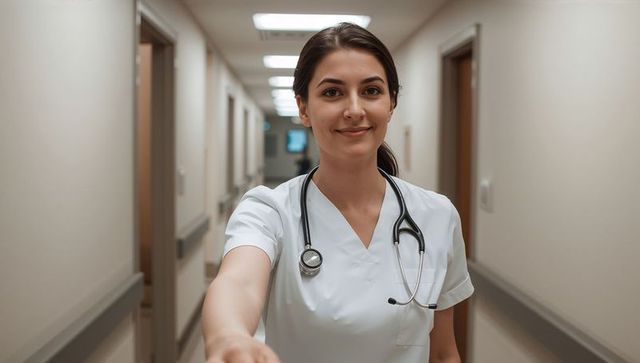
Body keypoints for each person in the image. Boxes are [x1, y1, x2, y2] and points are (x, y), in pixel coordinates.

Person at [202, 23, 474, 363]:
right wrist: (228, 335)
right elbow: (238, 282)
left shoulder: (437, 215)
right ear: (303, 108)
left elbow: (444, 351)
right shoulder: (269, 210)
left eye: (371, 91)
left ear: (391, 102)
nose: (355, 109)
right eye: (332, 92)